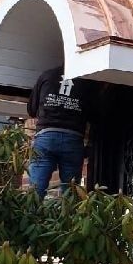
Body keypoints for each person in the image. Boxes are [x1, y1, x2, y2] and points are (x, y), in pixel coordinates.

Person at [25, 63, 97, 197]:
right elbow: (95, 115)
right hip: (73, 139)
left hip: (46, 136)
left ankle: (31, 216)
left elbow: (31, 109)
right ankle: (67, 216)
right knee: (70, 191)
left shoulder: (46, 76)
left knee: (35, 190)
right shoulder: (87, 82)